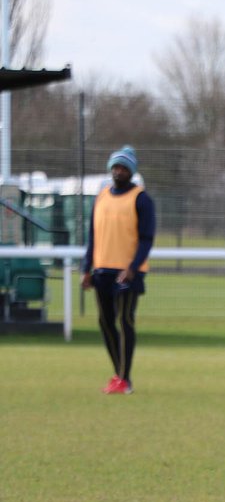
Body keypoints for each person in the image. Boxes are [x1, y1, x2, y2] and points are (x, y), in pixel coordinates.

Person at [81, 146, 155, 395]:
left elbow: (146, 239)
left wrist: (133, 267)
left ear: (131, 171)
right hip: (102, 270)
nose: (118, 171)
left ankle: (124, 378)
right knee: (105, 321)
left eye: (123, 168)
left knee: (125, 320)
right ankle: (119, 374)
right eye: (115, 167)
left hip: (127, 272)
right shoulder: (101, 197)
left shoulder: (141, 199)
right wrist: (86, 268)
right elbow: (92, 235)